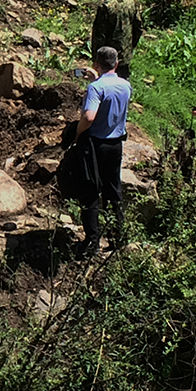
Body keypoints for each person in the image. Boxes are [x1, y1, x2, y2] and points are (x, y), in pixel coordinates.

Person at [74, 46, 132, 258]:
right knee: (113, 189)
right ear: (116, 64)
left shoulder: (95, 88)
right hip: (116, 144)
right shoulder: (125, 85)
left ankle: (92, 242)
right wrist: (97, 78)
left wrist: (78, 134)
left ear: (96, 63)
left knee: (90, 191)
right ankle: (119, 236)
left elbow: (89, 117)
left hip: (95, 145)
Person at [90, 0, 142, 80]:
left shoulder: (105, 7)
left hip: (108, 59)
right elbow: (138, 28)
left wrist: (96, 59)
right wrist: (130, 47)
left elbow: (99, 36)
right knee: (122, 86)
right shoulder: (130, 3)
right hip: (125, 56)